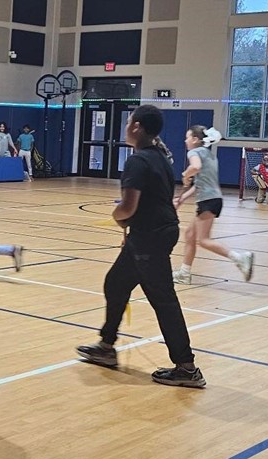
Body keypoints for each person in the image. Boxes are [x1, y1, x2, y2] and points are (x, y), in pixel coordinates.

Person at [76, 105, 204, 388]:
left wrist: (116, 216)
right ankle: (106, 347)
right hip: (154, 233)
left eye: (129, 122)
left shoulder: (138, 161)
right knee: (116, 284)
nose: (126, 127)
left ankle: (186, 367)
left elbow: (128, 206)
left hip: (150, 237)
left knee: (163, 299)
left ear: (136, 127)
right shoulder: (159, 156)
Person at [172, 126, 253, 284]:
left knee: (203, 240)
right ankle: (184, 273)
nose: (185, 140)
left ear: (195, 140)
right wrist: (182, 199)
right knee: (189, 235)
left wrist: (185, 175)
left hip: (208, 200)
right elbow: (199, 184)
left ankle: (240, 258)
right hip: (213, 199)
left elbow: (195, 167)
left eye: (187, 137)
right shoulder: (210, 155)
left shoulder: (194, 152)